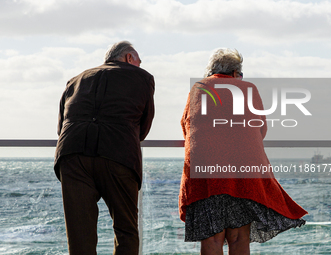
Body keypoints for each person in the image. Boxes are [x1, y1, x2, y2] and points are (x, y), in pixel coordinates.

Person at [179, 48, 307, 255]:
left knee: (212, 237)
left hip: (206, 171)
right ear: (236, 73)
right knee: (238, 237)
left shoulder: (198, 88)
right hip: (242, 170)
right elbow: (260, 128)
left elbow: (186, 126)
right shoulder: (247, 89)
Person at [54, 41, 155, 255]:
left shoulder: (76, 79)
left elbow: (61, 125)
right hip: (119, 156)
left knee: (80, 235)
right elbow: (143, 128)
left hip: (72, 155)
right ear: (129, 58)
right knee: (126, 230)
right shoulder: (142, 77)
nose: (140, 64)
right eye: (139, 60)